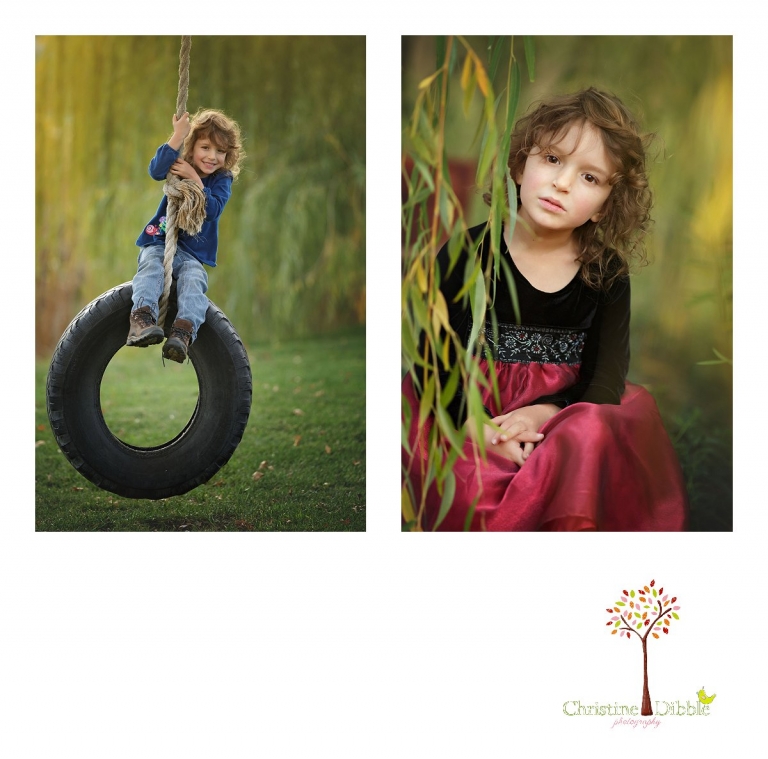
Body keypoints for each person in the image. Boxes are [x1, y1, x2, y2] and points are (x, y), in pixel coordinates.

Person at [402, 87, 688, 531]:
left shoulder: (606, 273)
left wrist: (545, 415)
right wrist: (480, 429)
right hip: (465, 412)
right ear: (519, 166)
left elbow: (606, 378)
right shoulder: (467, 254)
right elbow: (436, 362)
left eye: (590, 178)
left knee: (591, 431)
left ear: (604, 207)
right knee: (472, 485)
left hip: (563, 420)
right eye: (553, 159)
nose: (563, 183)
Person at [126, 108, 244, 362]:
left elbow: (212, 210)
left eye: (220, 152)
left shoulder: (222, 179)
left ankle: (182, 334)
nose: (212, 157)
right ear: (192, 147)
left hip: (192, 254)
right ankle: (142, 319)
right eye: (205, 148)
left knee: (194, 281)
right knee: (151, 267)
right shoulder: (180, 163)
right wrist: (177, 136)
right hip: (160, 240)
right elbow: (156, 170)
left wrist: (195, 179)